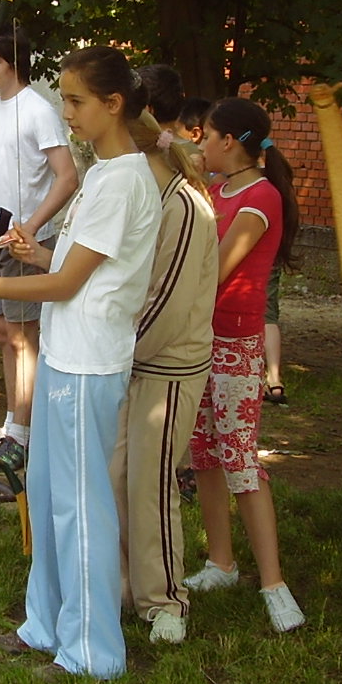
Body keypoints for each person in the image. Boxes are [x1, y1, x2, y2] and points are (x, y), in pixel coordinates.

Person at [0, 45, 160, 679]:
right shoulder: (103, 173)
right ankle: (45, 624)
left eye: (76, 101)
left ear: (113, 104)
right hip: (67, 354)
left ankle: (91, 650)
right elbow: (73, 268)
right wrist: (36, 254)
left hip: (90, 363)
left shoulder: (124, 179)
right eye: (64, 99)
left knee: (81, 505)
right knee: (47, 490)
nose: (66, 112)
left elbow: (67, 286)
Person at [183, 98, 305, 633]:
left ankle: (273, 584)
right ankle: (221, 562)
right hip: (201, 339)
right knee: (205, 454)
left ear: (228, 141)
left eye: (206, 136)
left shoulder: (261, 196)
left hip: (235, 343)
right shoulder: (217, 191)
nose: (201, 144)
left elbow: (216, 264)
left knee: (240, 459)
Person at [116, 104, 218, 645]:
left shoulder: (184, 205)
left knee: (150, 483)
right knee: (118, 475)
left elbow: (169, 304)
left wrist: (119, 354)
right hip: (135, 362)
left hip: (168, 366)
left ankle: (165, 601)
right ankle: (127, 587)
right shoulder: (152, 199)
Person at [0, 26, 79, 475]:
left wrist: (30, 228)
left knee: (22, 336)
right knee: (2, 332)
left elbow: (67, 177)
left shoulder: (38, 110)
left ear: (15, 61)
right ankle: (15, 424)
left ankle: (23, 432)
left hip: (26, 244)